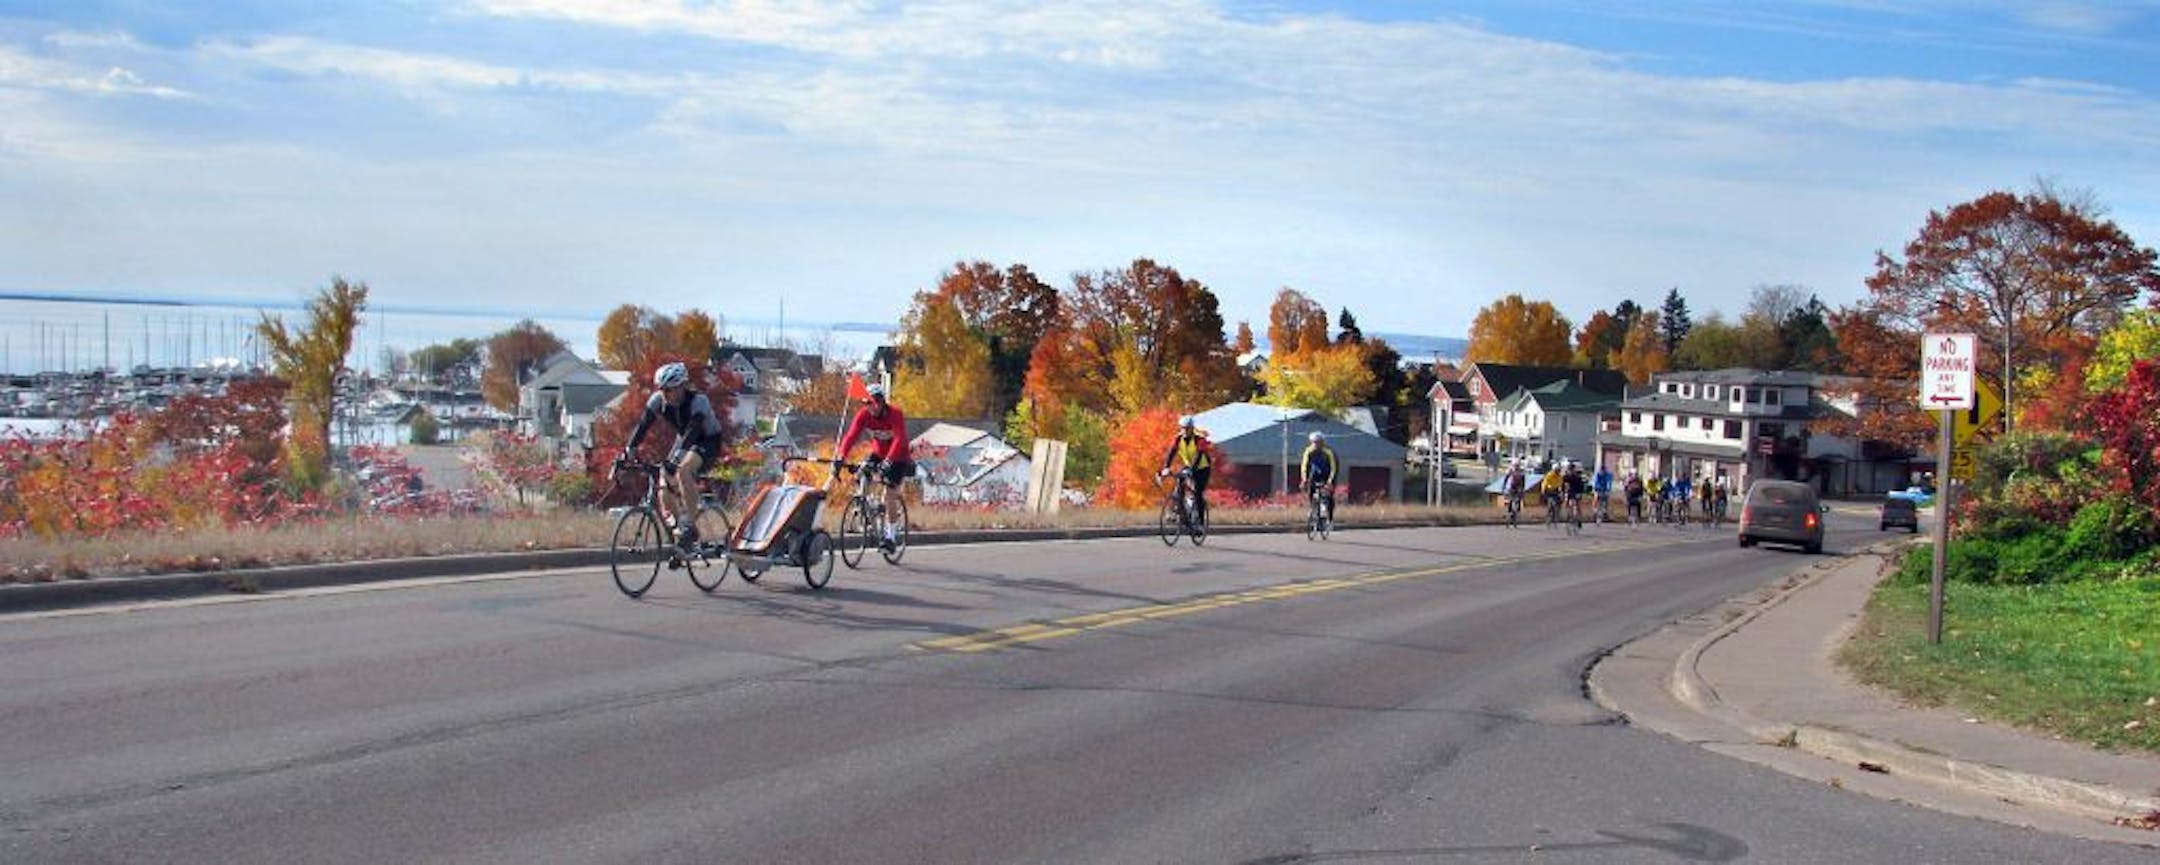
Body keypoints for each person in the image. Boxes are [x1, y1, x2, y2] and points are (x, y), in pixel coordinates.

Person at [622, 361, 725, 547]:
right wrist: (630, 449)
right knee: (663, 484)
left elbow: (693, 431)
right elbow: (643, 425)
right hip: (683, 441)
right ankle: (681, 536)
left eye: (669, 390)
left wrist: (676, 459)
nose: (664, 394)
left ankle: (690, 524)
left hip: (707, 440)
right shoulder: (658, 400)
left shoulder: (698, 401)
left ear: (682, 387)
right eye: (661, 389)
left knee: (683, 470)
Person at [834, 381, 914, 549]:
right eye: (867, 403)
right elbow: (850, 436)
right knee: (862, 472)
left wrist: (889, 460)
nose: (871, 407)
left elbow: (899, 439)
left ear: (882, 402)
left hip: (898, 455)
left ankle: (891, 536)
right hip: (878, 453)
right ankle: (864, 507)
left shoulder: (895, 414)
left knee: (889, 495)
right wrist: (841, 457)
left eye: (874, 402)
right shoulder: (864, 415)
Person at [1158, 416, 1213, 526]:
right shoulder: (1178, 439)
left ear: (1192, 429)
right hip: (1188, 466)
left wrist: (1191, 470)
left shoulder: (1199, 439)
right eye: (1183, 428)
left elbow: (1198, 456)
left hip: (1202, 469)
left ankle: (1201, 523)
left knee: (1197, 493)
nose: (1185, 431)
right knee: (1178, 487)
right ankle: (1179, 513)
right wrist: (1166, 468)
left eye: (1187, 428)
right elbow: (1171, 453)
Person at [1299, 431, 1338, 523]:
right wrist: (1304, 479)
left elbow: (1333, 468)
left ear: (1322, 442)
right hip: (1315, 474)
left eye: (1318, 442)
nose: (1316, 444)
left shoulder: (1328, 452)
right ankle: (1313, 508)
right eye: (1314, 442)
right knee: (1311, 491)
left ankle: (1329, 517)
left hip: (1327, 474)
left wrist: (1330, 482)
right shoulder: (1308, 451)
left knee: (1328, 495)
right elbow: (1304, 466)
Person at [1501, 459, 1528, 525]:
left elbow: (1523, 480)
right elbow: (1506, 478)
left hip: (1518, 487)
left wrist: (1523, 489)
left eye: (1517, 465)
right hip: (1512, 487)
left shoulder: (1521, 471)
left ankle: (1517, 511)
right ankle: (1509, 511)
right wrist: (1503, 486)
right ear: (1513, 465)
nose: (1516, 467)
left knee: (1518, 500)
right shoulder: (1511, 470)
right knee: (1510, 500)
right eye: (1515, 465)